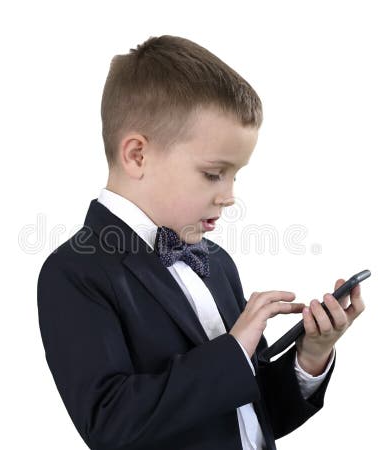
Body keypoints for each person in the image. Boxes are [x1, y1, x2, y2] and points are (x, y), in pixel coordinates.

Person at [37, 34, 365, 450]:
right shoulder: (74, 272)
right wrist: (232, 350)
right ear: (137, 155)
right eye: (213, 174)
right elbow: (110, 424)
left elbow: (253, 416)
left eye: (235, 175)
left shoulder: (216, 263)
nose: (229, 195)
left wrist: (310, 356)